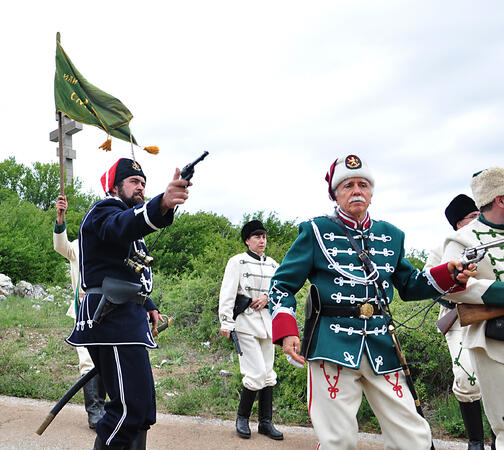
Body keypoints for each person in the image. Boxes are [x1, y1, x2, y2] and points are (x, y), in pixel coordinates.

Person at [268, 154, 476, 450]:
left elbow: (410, 283)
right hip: (330, 347)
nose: (357, 191)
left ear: (371, 192)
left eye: (363, 185)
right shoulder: (314, 232)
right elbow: (282, 284)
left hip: (381, 346)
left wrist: (448, 273)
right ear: (335, 194)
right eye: (348, 185)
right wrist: (287, 329)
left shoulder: (391, 235)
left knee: (414, 439)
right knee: (337, 441)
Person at [66, 158, 190, 449]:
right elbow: (121, 225)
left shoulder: (127, 219)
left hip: (128, 317)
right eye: (134, 182)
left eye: (144, 183)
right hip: (110, 318)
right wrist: (161, 205)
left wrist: (149, 303)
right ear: (114, 186)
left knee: (143, 408)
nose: (141, 187)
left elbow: (128, 270)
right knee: (127, 409)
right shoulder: (105, 210)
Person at [442, 167, 504, 450]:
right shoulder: (462, 239)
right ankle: (476, 442)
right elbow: (452, 286)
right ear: (500, 199)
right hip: (491, 338)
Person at [424, 194, 486, 450]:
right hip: (460, 319)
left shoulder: (491, 241)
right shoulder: (441, 250)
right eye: (472, 216)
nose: (478, 220)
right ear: (459, 223)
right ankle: (475, 441)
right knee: (465, 377)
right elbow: (430, 285)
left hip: (494, 318)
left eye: (478, 215)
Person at [219, 220, 283, 440]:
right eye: (256, 237)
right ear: (247, 240)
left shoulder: (274, 264)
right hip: (245, 323)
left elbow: (280, 292)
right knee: (255, 373)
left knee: (268, 374)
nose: (261, 240)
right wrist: (226, 322)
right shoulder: (237, 262)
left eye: (263, 236)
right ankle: (242, 418)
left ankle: (265, 422)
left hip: (268, 324)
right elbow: (227, 293)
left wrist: (268, 297)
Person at [54, 194, 106, 430]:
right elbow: (60, 246)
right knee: (88, 361)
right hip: (83, 312)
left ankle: (108, 409)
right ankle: (95, 412)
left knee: (107, 359)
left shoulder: (111, 245)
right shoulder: (78, 246)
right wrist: (60, 219)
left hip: (109, 312)